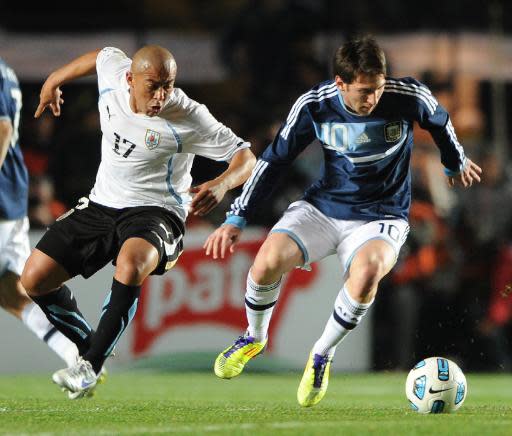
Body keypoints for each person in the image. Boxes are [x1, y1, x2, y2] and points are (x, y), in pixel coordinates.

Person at [203, 35, 482, 407]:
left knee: (368, 272)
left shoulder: (408, 95)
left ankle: (321, 355)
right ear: (340, 83)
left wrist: (454, 160)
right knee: (267, 261)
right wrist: (237, 215)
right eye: (365, 91)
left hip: (382, 214)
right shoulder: (314, 105)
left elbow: (440, 121)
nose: (373, 99)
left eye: (378, 89)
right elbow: (274, 160)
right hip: (324, 207)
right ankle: (253, 337)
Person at [20, 45, 256, 399]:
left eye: (169, 85)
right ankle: (93, 349)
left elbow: (246, 157)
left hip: (157, 211)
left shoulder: (188, 114)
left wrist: (222, 184)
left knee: (131, 264)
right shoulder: (115, 76)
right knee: (33, 279)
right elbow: (100, 55)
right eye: (153, 86)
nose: (162, 95)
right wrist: (54, 79)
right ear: (130, 79)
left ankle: (89, 366)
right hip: (101, 204)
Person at [0, 58, 78, 368]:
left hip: (3, 196)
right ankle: (77, 353)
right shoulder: (5, 70)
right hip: (10, 196)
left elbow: (3, 129)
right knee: (10, 292)